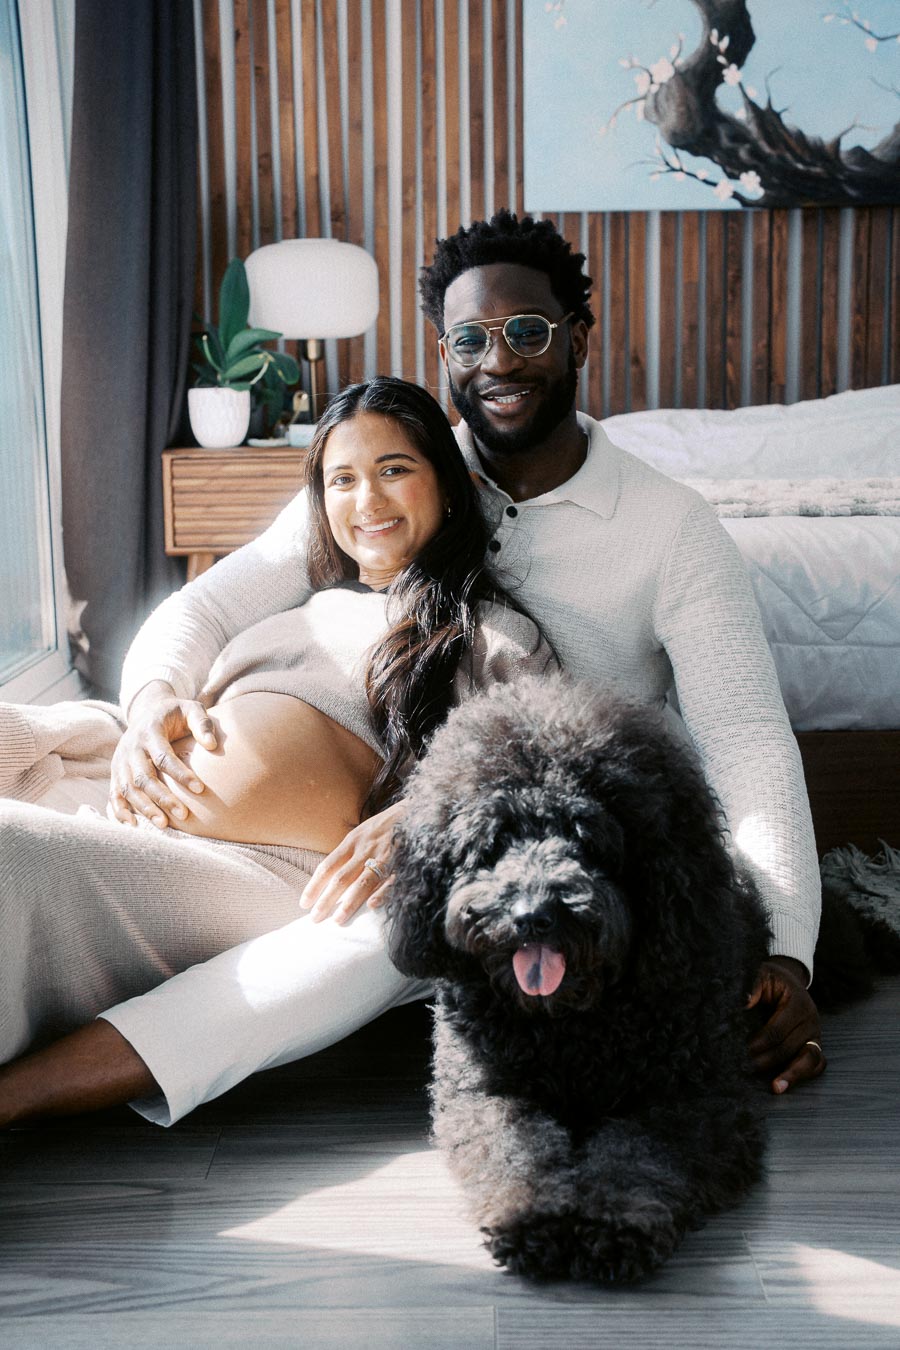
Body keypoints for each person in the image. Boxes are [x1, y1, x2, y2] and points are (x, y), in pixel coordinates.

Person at [1, 210, 824, 1128]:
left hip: (528, 826)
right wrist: (153, 694)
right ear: (445, 349)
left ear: (576, 337)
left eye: (527, 332)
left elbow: (747, 738)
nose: (499, 361)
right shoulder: (408, 465)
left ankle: (41, 1089)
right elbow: (208, 604)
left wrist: (787, 951)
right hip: (320, 804)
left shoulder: (670, 530)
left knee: (387, 932)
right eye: (472, 337)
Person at [0, 376, 553, 1127]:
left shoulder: (487, 633)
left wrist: (433, 809)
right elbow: (186, 623)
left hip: (258, 868)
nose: (368, 501)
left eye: (395, 470)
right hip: (114, 785)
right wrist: (149, 709)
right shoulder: (301, 602)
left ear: (448, 488)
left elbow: (545, 763)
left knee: (10, 854)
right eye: (343, 480)